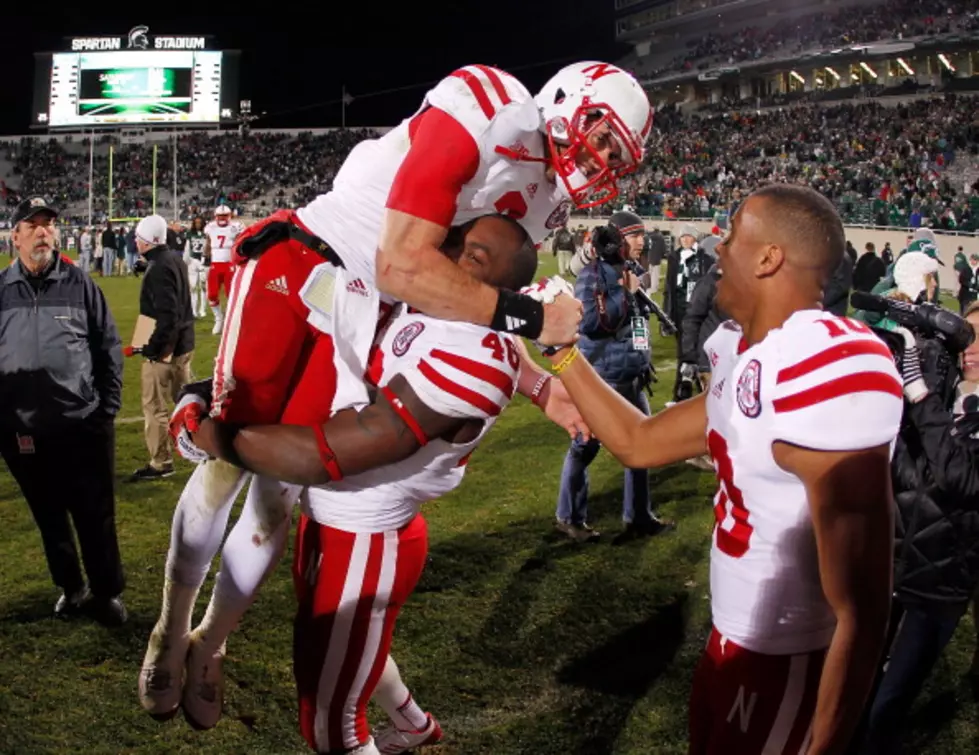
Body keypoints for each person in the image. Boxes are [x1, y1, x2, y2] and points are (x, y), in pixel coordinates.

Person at [144, 60, 653, 722]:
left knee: (277, 492)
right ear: (565, 100)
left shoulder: (546, 195)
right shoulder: (486, 107)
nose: (602, 156)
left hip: (374, 314)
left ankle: (209, 642)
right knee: (226, 462)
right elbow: (401, 261)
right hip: (311, 259)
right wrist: (531, 321)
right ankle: (167, 626)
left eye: (617, 153)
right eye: (602, 134)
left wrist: (534, 381)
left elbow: (481, 292)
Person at [532, 184, 904, 754]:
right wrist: (562, 353)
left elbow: (864, 603)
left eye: (731, 236)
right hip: (729, 643)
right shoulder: (749, 357)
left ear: (769, 256)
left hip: (787, 663)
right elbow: (636, 440)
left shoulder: (823, 361)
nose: (719, 250)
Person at [177, 214, 539, 753]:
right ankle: (413, 722)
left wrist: (207, 433)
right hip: (341, 525)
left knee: (332, 727)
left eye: (462, 246)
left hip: (365, 541)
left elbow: (322, 454)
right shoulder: (432, 304)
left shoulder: (472, 358)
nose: (443, 244)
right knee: (345, 650)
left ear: (486, 277)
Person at [856, 301, 979, 753]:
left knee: (891, 699)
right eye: (965, 336)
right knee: (857, 683)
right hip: (887, 565)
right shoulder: (932, 391)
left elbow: (961, 479)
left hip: (940, 583)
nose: (970, 349)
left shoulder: (933, 399)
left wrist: (922, 400)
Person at [0, 197, 126, 625]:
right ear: (14, 236)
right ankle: (72, 588)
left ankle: (106, 592)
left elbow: (108, 347)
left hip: (81, 426)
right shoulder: (1, 290)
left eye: (48, 224)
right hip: (23, 431)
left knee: (95, 514)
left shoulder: (80, 283)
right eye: (31, 225)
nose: (42, 231)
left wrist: (105, 410)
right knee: (49, 516)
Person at [555, 210, 672, 542]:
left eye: (641, 235)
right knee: (584, 447)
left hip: (630, 376)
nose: (641, 241)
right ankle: (569, 517)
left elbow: (634, 324)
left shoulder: (628, 270)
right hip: (603, 379)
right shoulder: (592, 276)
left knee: (643, 448)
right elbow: (592, 324)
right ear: (618, 240)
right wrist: (626, 292)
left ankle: (637, 516)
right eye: (634, 236)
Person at [126, 214, 195, 481]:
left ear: (146, 241)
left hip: (167, 349)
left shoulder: (159, 268)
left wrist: (154, 348)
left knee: (155, 406)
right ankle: (203, 449)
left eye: (138, 239)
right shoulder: (173, 259)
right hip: (184, 344)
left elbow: (167, 314)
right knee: (186, 403)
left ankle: (160, 462)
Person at [203, 205, 244, 334]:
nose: (222, 218)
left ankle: (230, 319)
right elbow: (209, 243)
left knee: (230, 294)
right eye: (220, 216)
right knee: (212, 294)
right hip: (215, 263)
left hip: (229, 264)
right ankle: (218, 318)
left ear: (229, 216)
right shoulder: (210, 228)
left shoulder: (236, 227)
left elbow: (241, 243)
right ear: (216, 216)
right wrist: (205, 258)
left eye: (224, 216)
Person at [183, 216, 208, 318]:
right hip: (193, 261)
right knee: (192, 287)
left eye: (200, 223)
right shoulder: (190, 234)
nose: (198, 224)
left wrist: (206, 259)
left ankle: (202, 309)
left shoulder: (207, 233)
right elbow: (187, 247)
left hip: (203, 261)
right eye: (196, 222)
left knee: (203, 287)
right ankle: (193, 310)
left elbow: (208, 246)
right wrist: (186, 260)